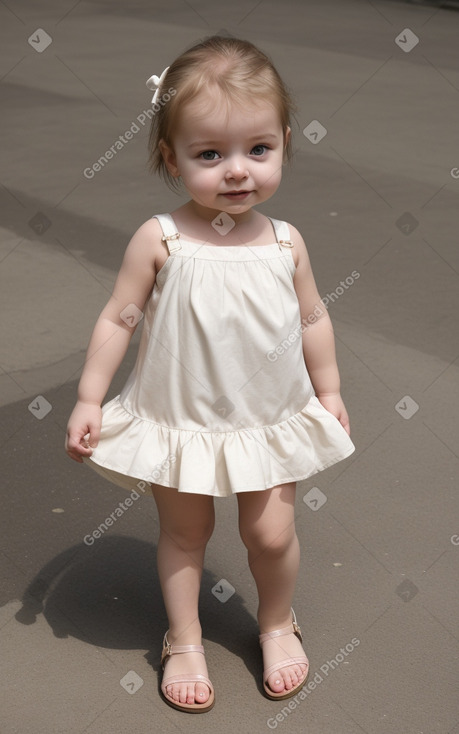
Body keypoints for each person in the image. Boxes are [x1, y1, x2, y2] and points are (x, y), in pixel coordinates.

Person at [65, 34, 355, 714]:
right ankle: (185, 637)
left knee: (270, 532)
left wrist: (330, 388)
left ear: (284, 140)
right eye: (208, 154)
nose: (236, 172)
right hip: (183, 419)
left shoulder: (285, 242)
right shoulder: (161, 237)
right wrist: (88, 396)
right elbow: (118, 317)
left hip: (267, 419)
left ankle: (277, 621)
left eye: (257, 150)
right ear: (171, 158)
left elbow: (313, 318)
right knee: (185, 532)